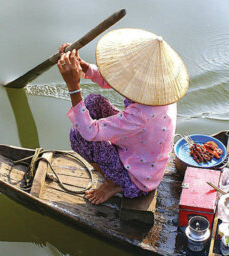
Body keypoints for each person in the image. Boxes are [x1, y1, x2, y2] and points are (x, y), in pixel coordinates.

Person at [57, 28, 189, 205]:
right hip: (142, 153)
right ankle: (114, 173)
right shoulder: (162, 92)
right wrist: (83, 66)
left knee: (78, 135)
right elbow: (111, 80)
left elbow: (89, 132)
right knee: (93, 101)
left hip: (138, 181)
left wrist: (73, 86)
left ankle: (114, 182)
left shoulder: (140, 114)